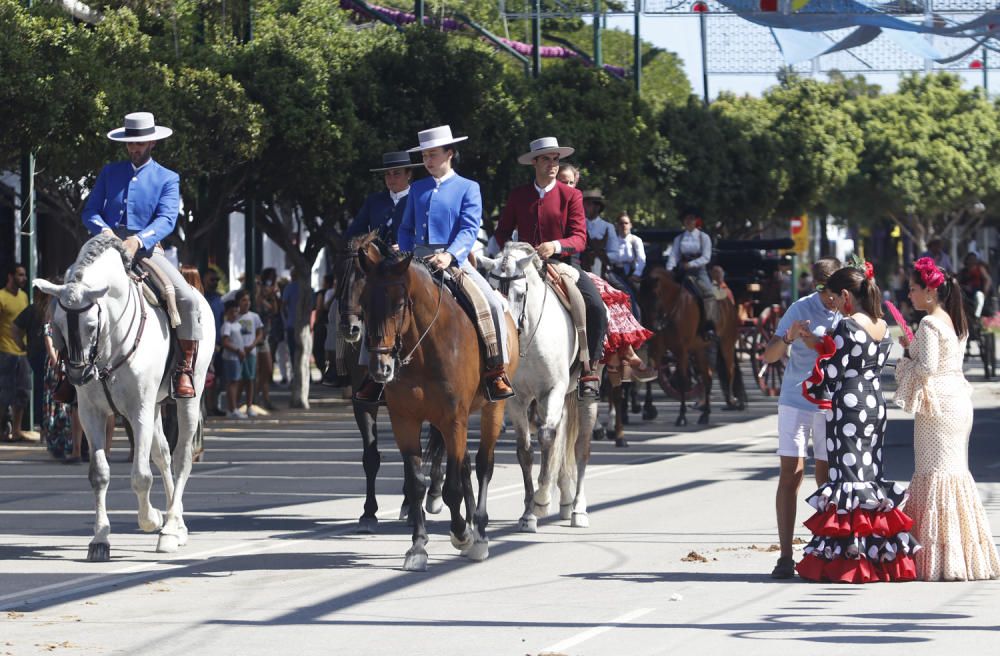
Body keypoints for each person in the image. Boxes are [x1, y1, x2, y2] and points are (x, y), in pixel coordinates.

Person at [796, 262, 919, 583]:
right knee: (869, 474)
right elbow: (863, 360)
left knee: (847, 473)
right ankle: (881, 557)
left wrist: (814, 375)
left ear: (847, 295)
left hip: (848, 404)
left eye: (835, 298)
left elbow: (834, 372)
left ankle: (852, 556)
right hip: (873, 403)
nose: (832, 304)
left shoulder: (847, 326)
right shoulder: (880, 323)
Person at [386, 124, 513, 402]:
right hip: (417, 260)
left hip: (453, 261)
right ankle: (376, 375)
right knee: (382, 300)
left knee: (490, 303)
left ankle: (496, 370)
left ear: (450, 153)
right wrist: (408, 253)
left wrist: (449, 254)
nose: (428, 161)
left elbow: (468, 229)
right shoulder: (417, 188)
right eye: (425, 156)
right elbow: (405, 229)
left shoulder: (469, 187)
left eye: (433, 155)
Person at [81, 112, 203, 398]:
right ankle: (67, 366)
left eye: (140, 143)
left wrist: (139, 239)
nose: (134, 148)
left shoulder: (167, 178)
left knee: (185, 297)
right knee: (71, 291)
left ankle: (184, 368)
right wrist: (104, 230)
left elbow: (166, 219)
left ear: (152, 143)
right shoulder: (110, 172)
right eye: (130, 144)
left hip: (146, 250)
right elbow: (90, 210)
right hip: (105, 246)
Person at [895, 258, 1000, 581]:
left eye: (913, 289)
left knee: (934, 474)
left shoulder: (929, 324)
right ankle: (966, 557)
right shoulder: (955, 320)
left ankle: (938, 559)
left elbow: (926, 368)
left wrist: (904, 360)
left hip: (937, 406)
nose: (910, 295)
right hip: (956, 400)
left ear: (930, 291)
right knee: (954, 475)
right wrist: (913, 350)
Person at [494, 136, 607, 398]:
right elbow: (501, 232)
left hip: (560, 264)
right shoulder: (519, 195)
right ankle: (494, 368)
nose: (553, 165)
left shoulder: (572, 195)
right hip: (521, 265)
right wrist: (513, 249)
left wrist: (555, 246)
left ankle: (589, 367)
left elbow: (579, 237)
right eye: (546, 159)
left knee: (594, 306)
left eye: (556, 160)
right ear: (534, 162)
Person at [762, 257, 840, 579]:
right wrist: (790, 337)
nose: (828, 296)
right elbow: (770, 355)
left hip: (828, 402)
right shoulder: (799, 308)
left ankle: (823, 548)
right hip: (795, 398)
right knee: (791, 475)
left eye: (832, 289)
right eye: (821, 289)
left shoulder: (846, 312)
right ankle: (784, 556)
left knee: (826, 477)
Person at [345, 151, 422, 246]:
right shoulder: (373, 201)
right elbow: (354, 232)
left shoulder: (420, 200)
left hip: (412, 258)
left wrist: (410, 245)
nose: (391, 178)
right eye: (387, 174)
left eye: (396, 174)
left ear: (408, 174)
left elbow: (431, 235)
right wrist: (367, 241)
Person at [666, 207, 717, 338]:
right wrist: (669, 269)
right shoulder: (679, 238)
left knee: (709, 293)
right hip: (682, 270)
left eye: (691, 219)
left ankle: (709, 325)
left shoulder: (703, 237)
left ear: (696, 221)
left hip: (699, 271)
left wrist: (691, 264)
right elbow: (673, 255)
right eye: (686, 219)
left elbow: (706, 257)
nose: (689, 221)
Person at [1, 263, 31, 442]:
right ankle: (1, 431)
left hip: (23, 352)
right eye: (20, 275)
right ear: (10, 277)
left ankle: (17, 430)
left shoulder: (24, 297)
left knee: (22, 393)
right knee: (5, 394)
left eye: (24, 275)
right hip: (4, 352)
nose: (24, 279)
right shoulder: (1, 297)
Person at [234, 290, 263, 418]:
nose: (247, 303)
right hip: (237, 353)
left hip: (250, 352)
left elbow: (260, 333)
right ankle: (235, 405)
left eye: (248, 300)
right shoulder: (234, 316)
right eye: (243, 300)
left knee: (250, 379)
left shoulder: (254, 316)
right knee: (238, 380)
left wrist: (252, 345)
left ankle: (249, 405)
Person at [254, 267, 280, 410]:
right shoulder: (258, 292)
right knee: (259, 369)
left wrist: (274, 295)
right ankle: (257, 398)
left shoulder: (271, 295)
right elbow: (257, 302)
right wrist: (262, 292)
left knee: (267, 369)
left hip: (265, 335)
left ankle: (262, 398)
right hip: (256, 335)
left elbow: (275, 310)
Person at [580, 189, 620, 275]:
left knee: (624, 287)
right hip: (580, 269)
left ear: (597, 207)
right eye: (584, 204)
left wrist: (598, 256)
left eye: (588, 205)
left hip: (602, 271)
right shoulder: (578, 224)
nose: (584, 207)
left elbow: (615, 254)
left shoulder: (608, 227)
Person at [219, 300, 245, 418]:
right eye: (232, 312)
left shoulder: (237, 324)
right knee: (232, 383)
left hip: (238, 358)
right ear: (227, 313)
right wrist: (237, 350)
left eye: (236, 311)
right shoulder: (227, 325)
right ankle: (232, 408)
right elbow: (225, 342)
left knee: (236, 382)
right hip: (231, 358)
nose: (234, 314)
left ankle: (234, 407)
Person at [958, 251, 993, 319]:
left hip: (977, 291)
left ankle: (977, 316)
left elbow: (987, 279)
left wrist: (985, 291)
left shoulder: (980, 269)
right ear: (967, 260)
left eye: (974, 259)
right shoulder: (963, 271)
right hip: (965, 292)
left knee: (979, 297)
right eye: (970, 259)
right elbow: (957, 281)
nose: (972, 261)